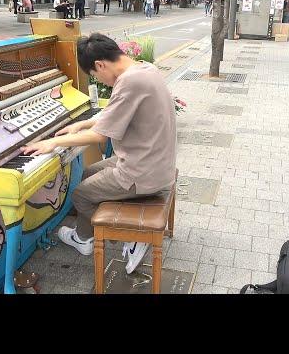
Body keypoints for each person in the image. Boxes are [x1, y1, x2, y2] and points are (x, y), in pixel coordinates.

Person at [21, 33, 177, 274]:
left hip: (143, 173)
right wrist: (82, 124)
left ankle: (133, 236)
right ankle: (84, 237)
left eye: (95, 75)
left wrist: (54, 143)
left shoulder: (128, 82)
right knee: (89, 174)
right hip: (153, 162)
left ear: (100, 65)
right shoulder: (143, 69)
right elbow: (116, 113)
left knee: (80, 195)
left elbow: (100, 137)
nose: (100, 81)